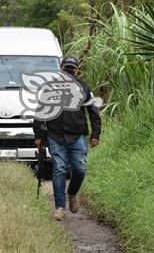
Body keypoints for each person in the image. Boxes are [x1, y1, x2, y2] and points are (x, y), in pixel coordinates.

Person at [33, 56, 102, 221]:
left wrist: (95, 134)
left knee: (80, 170)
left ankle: (72, 193)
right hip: (55, 135)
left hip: (78, 136)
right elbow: (40, 113)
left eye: (72, 69)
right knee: (59, 169)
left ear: (77, 71)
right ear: (60, 69)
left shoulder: (84, 87)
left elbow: (94, 112)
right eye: (66, 69)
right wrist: (38, 136)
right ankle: (59, 207)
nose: (69, 72)